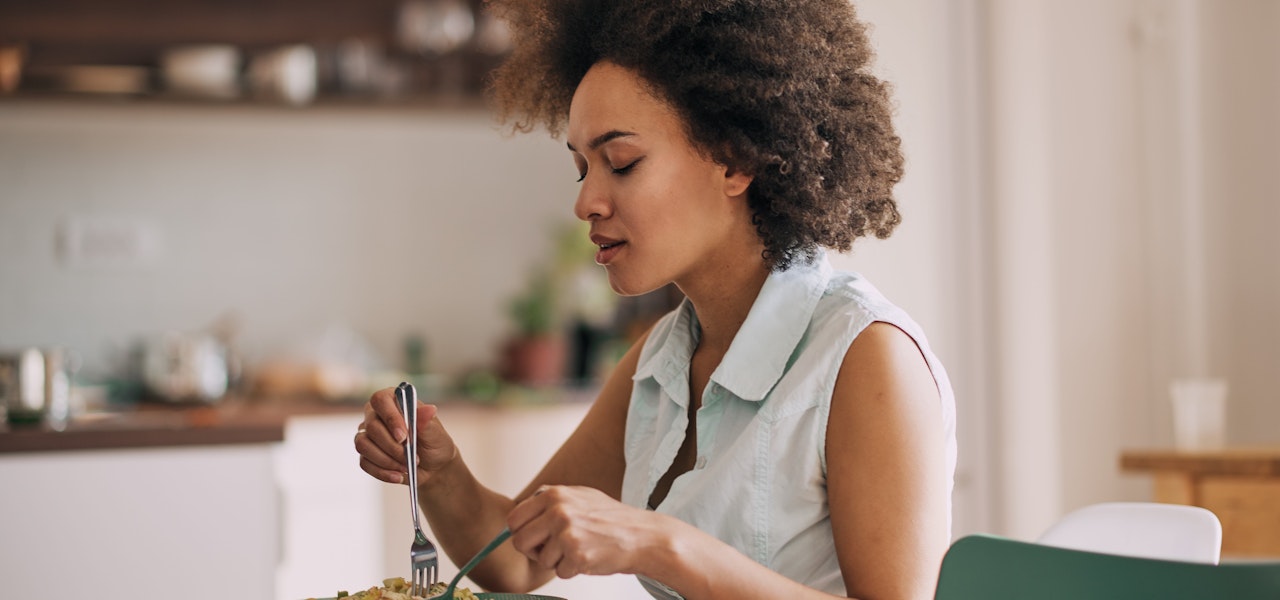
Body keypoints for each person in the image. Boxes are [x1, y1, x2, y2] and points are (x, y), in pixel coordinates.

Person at [354, 0, 957, 598]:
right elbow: (516, 562)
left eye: (622, 162)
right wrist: (437, 472)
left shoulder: (866, 357)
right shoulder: (661, 361)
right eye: (582, 168)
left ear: (735, 161)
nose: (586, 201)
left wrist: (658, 542)